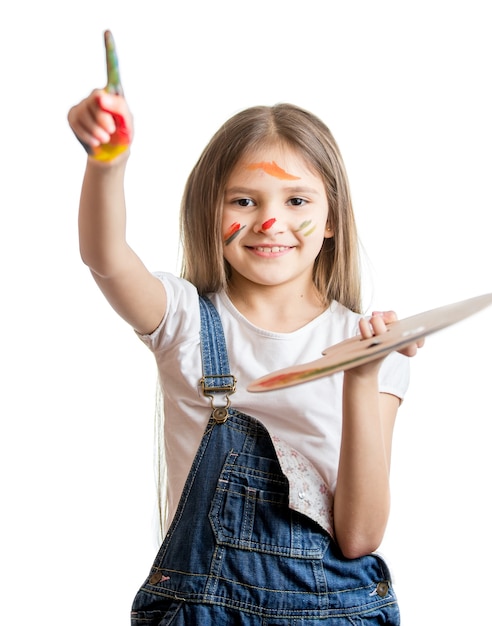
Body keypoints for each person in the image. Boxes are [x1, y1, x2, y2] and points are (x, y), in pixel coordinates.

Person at [68, 37, 422, 625]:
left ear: (331, 219)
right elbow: (105, 256)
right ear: (212, 211)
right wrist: (108, 163)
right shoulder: (181, 320)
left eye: (297, 199)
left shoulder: (373, 344)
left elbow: (359, 536)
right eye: (244, 199)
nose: (270, 222)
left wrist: (361, 376)